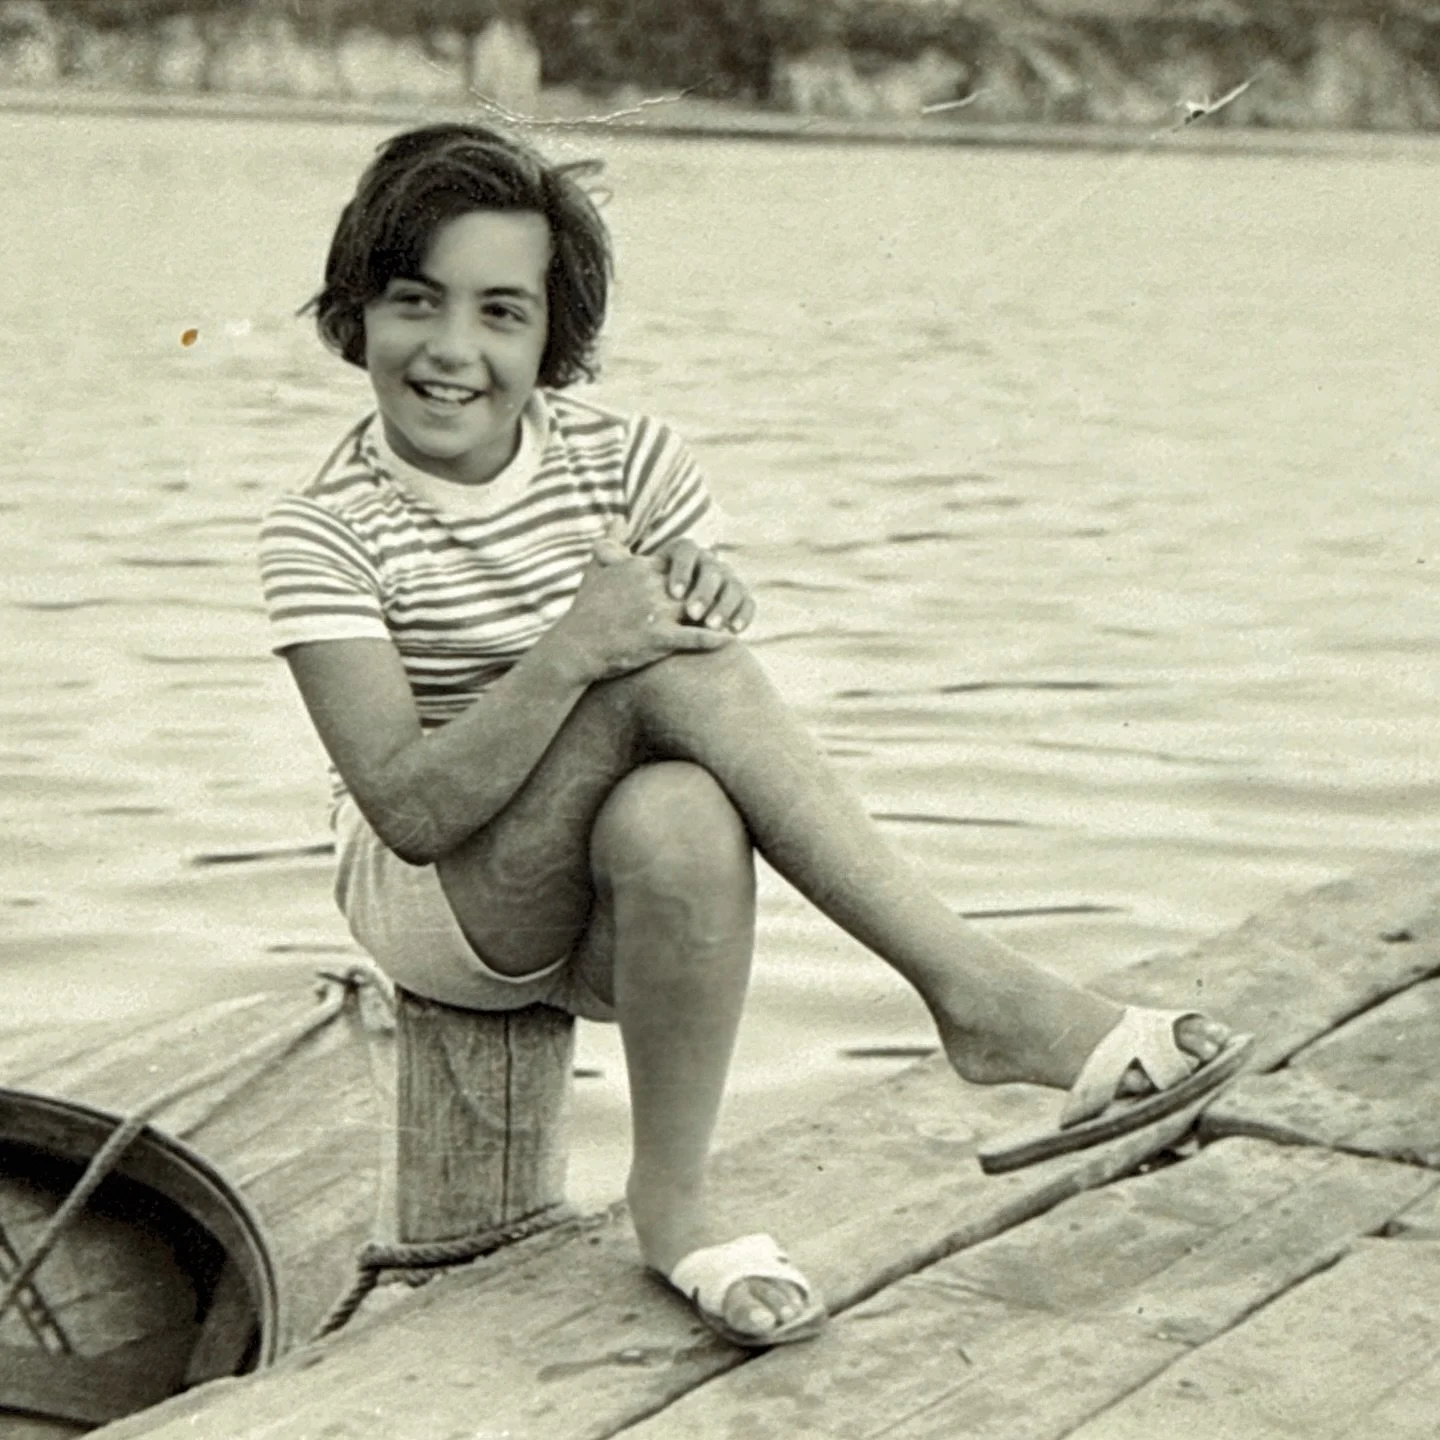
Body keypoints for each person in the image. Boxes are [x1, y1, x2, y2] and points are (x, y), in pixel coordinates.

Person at [258, 123, 1248, 1349]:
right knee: (647, 672)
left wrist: (706, 597)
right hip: (441, 905)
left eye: (502, 314)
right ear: (355, 313)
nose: (454, 351)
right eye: (417, 303)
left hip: (616, 912)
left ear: (550, 341)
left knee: (681, 799)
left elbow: (698, 643)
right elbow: (408, 812)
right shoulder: (321, 534)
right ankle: (981, 996)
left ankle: (673, 1206)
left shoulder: (632, 461)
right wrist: (583, 645)